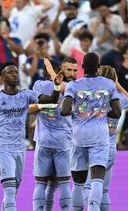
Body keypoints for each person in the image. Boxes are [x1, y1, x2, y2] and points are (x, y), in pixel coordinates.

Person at [0, 62, 64, 211]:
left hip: (20, 148)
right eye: (10, 72)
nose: (15, 74)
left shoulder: (26, 95)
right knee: (9, 190)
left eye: (16, 72)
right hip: (3, 147)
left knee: (13, 190)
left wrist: (56, 86)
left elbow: (52, 101)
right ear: (2, 76)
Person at [60, 52, 121, 211]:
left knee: (78, 183)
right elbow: (117, 112)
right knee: (97, 180)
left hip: (79, 136)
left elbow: (64, 110)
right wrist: (101, 111)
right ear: (98, 68)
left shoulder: (73, 85)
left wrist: (79, 112)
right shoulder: (109, 84)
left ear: (82, 67)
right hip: (100, 136)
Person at [83, 65, 128, 211]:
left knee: (87, 186)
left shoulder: (93, 97)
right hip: (111, 148)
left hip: (94, 146)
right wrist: (116, 84)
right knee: (103, 189)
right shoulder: (118, 99)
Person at [32, 58, 74, 211]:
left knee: (41, 183)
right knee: (63, 183)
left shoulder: (38, 85)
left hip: (43, 140)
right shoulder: (70, 87)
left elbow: (34, 106)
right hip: (63, 141)